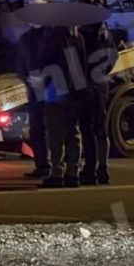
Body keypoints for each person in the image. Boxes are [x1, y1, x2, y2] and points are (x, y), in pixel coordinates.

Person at [34, 24, 87, 188]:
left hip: (56, 90)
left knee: (55, 133)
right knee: (73, 132)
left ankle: (57, 172)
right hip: (74, 90)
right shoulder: (78, 37)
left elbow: (45, 62)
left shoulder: (53, 38)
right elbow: (82, 64)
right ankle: (73, 173)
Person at [77, 0, 119, 185]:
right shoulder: (105, 32)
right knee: (100, 130)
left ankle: (90, 170)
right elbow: (114, 55)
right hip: (101, 84)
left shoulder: (84, 33)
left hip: (87, 85)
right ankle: (103, 169)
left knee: (87, 129)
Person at [15, 14, 50, 179]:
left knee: (52, 129)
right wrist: (28, 80)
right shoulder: (26, 39)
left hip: (50, 89)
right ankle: (43, 164)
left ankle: (53, 165)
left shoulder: (52, 36)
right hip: (37, 90)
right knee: (37, 129)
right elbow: (21, 63)